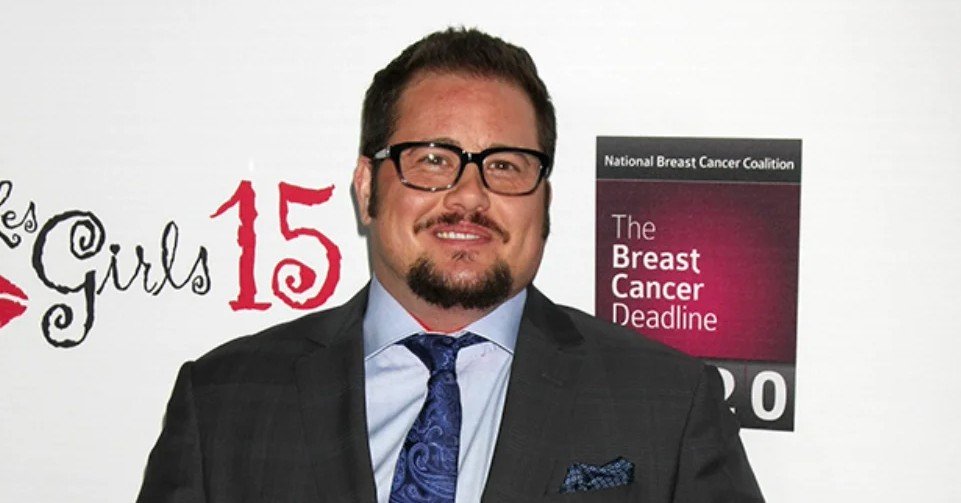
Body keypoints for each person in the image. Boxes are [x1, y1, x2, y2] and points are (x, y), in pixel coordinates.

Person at [137, 27, 764, 503]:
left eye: (506, 165)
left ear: (543, 200)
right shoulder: (222, 403)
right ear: (367, 185)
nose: (469, 196)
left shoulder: (670, 403)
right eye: (433, 159)